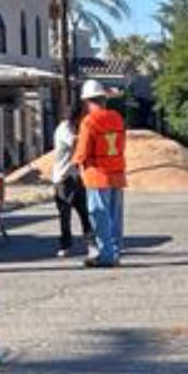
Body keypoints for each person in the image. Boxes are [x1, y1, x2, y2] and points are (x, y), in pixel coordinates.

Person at [73, 77, 127, 268]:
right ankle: (115, 251)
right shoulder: (117, 117)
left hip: (97, 175)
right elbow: (122, 144)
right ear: (104, 99)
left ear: (87, 101)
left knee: (99, 215)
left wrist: (76, 164)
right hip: (117, 173)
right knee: (115, 216)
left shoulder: (89, 121)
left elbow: (82, 150)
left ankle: (106, 255)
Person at [49, 103, 90, 259]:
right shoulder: (64, 129)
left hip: (76, 177)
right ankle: (65, 245)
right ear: (77, 116)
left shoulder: (76, 127)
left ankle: (91, 243)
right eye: (83, 115)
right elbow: (75, 142)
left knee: (85, 212)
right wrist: (89, 133)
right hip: (63, 178)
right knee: (65, 215)